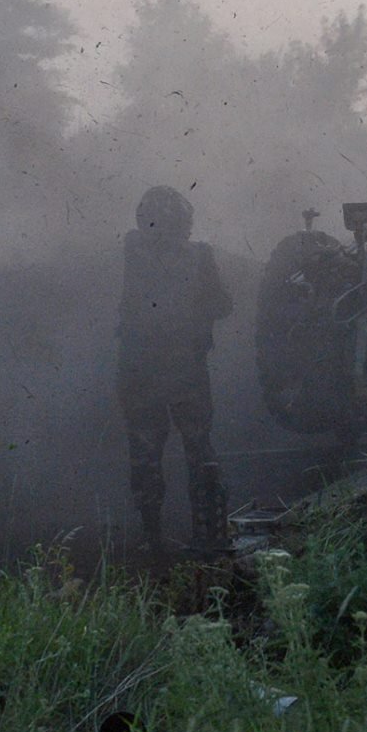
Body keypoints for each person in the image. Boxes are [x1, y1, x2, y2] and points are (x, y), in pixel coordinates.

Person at [117, 185, 233, 548]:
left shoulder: (130, 252)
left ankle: (153, 536)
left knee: (145, 454)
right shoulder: (199, 257)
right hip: (186, 371)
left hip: (138, 371)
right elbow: (223, 305)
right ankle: (207, 533)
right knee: (199, 450)